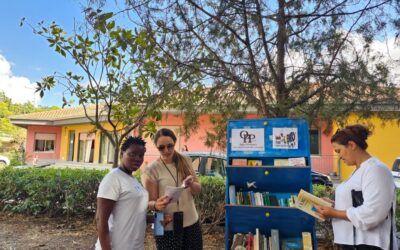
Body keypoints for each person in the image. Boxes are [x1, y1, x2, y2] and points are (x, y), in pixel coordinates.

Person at [316, 124, 397, 250]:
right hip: (353, 243)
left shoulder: (376, 170)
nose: (339, 157)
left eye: (339, 151)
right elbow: (356, 202)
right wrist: (333, 205)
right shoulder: (360, 171)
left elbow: (373, 212)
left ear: (352, 145)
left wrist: (335, 213)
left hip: (369, 245)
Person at [95, 136, 170, 250]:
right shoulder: (113, 178)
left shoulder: (133, 180)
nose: (137, 158)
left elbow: (136, 215)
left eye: (140, 155)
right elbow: (100, 219)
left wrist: (156, 220)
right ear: (122, 154)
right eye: (132, 154)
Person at [142, 128, 203, 250]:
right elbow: (149, 203)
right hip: (165, 224)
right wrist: (157, 205)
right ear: (156, 147)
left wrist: (191, 184)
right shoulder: (152, 170)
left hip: (190, 222)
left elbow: (198, 190)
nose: (166, 150)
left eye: (170, 146)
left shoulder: (185, 161)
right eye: (161, 147)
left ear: (175, 143)